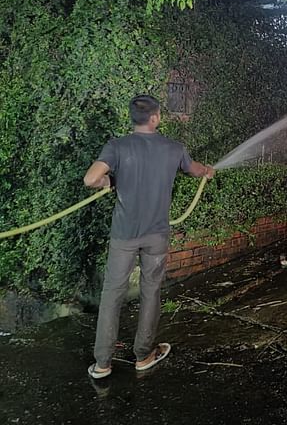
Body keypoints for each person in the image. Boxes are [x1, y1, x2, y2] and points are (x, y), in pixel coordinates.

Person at [83, 94, 214, 379]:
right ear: (155, 118)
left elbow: (90, 179)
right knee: (151, 291)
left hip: (124, 236)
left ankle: (102, 364)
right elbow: (194, 170)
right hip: (156, 236)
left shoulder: (117, 147)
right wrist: (208, 171)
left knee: (111, 295)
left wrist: (107, 181)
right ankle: (143, 355)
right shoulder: (174, 148)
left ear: (133, 119)